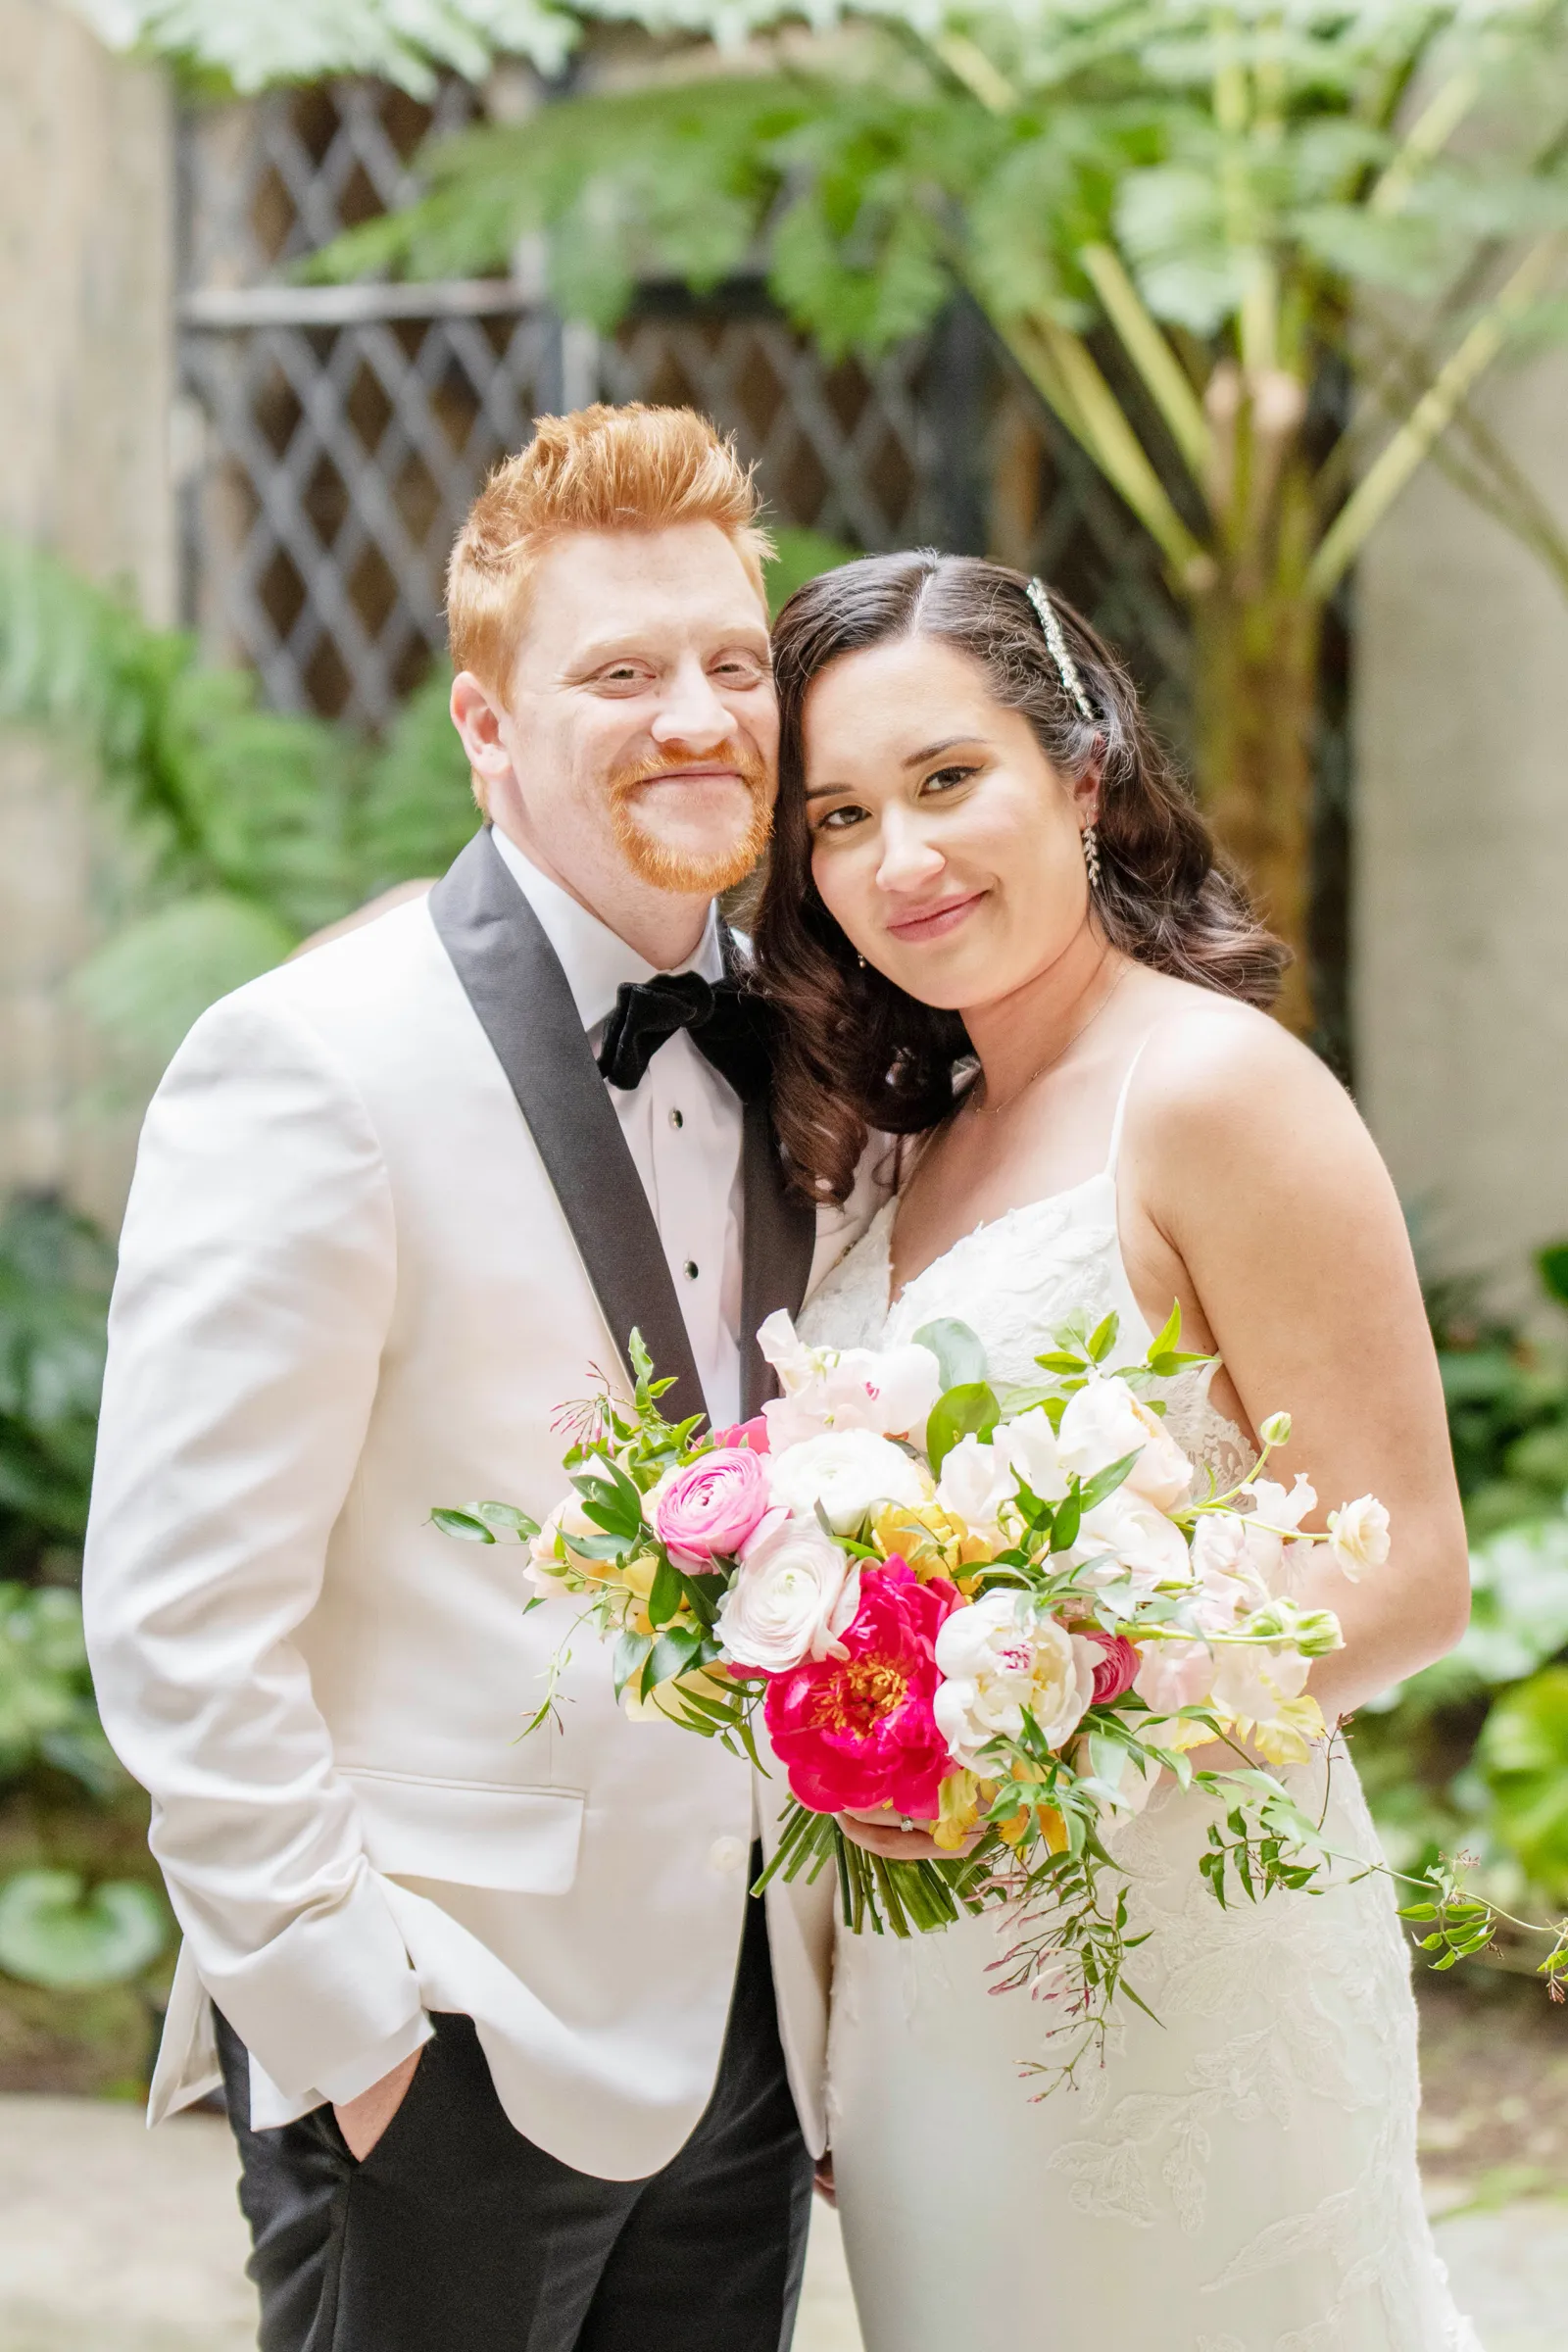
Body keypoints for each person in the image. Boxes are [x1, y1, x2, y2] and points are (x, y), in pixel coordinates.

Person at [82, 403, 872, 2352]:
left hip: (746, 2048)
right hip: (446, 2042)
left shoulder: (823, 1040)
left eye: (731, 664)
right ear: (485, 727)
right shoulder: (311, 1061)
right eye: (619, 674)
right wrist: (359, 2039)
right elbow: (182, 1620)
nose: (696, 716)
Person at [753, 552, 1480, 2351]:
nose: (902, 859)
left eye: (948, 779)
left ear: (1083, 775)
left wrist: (1043, 1718)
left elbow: (1406, 1571)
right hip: (926, 1994)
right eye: (840, 818)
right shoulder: (906, 1147)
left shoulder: (1218, 1093)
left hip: (1186, 1965)